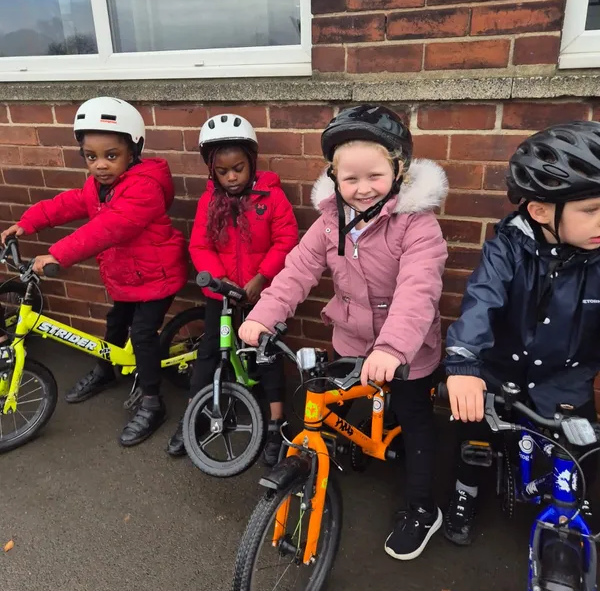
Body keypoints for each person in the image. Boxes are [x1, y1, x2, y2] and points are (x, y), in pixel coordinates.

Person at [239, 104, 449, 560]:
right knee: (344, 404)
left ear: (399, 169)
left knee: (415, 425)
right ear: (333, 177)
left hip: (408, 351)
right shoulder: (329, 223)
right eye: (349, 179)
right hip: (351, 342)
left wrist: (393, 347)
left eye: (374, 175)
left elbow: (419, 288)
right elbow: (297, 270)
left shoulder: (417, 225)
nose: (362, 189)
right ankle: (354, 447)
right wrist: (264, 314)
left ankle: (421, 508)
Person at [443, 120, 600, 546]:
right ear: (540, 210)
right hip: (500, 375)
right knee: (472, 435)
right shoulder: (507, 247)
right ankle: (466, 492)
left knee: (577, 463)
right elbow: (481, 300)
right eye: (591, 210)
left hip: (564, 380)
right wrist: (462, 362)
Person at [0, 97, 188, 447]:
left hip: (155, 277)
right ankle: (106, 370)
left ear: (134, 151)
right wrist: (26, 224)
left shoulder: (143, 189)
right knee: (115, 324)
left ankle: (152, 402)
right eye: (91, 156)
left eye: (111, 156)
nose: (100, 165)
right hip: (125, 277)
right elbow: (68, 204)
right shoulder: (97, 186)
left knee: (144, 335)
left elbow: (107, 229)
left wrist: (57, 253)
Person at [166, 113, 298, 464]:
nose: (231, 177)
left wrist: (261, 277)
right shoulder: (210, 202)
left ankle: (276, 424)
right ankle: (193, 417)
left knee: (266, 356)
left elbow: (286, 240)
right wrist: (223, 281)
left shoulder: (271, 197)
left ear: (251, 162)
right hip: (222, 295)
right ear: (212, 171)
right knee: (210, 353)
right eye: (222, 171)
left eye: (238, 168)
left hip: (262, 295)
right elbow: (200, 246)